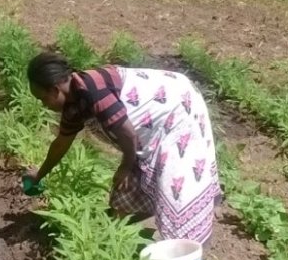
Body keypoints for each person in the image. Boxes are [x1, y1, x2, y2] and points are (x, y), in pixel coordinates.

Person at [22, 51, 221, 246]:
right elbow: (61, 143)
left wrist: (125, 167)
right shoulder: (73, 103)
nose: (43, 105)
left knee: (174, 186)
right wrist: (38, 175)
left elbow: (128, 134)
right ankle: (111, 239)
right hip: (143, 134)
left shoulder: (92, 89)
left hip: (177, 109)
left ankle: (185, 250)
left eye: (42, 98)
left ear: (55, 90)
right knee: (124, 190)